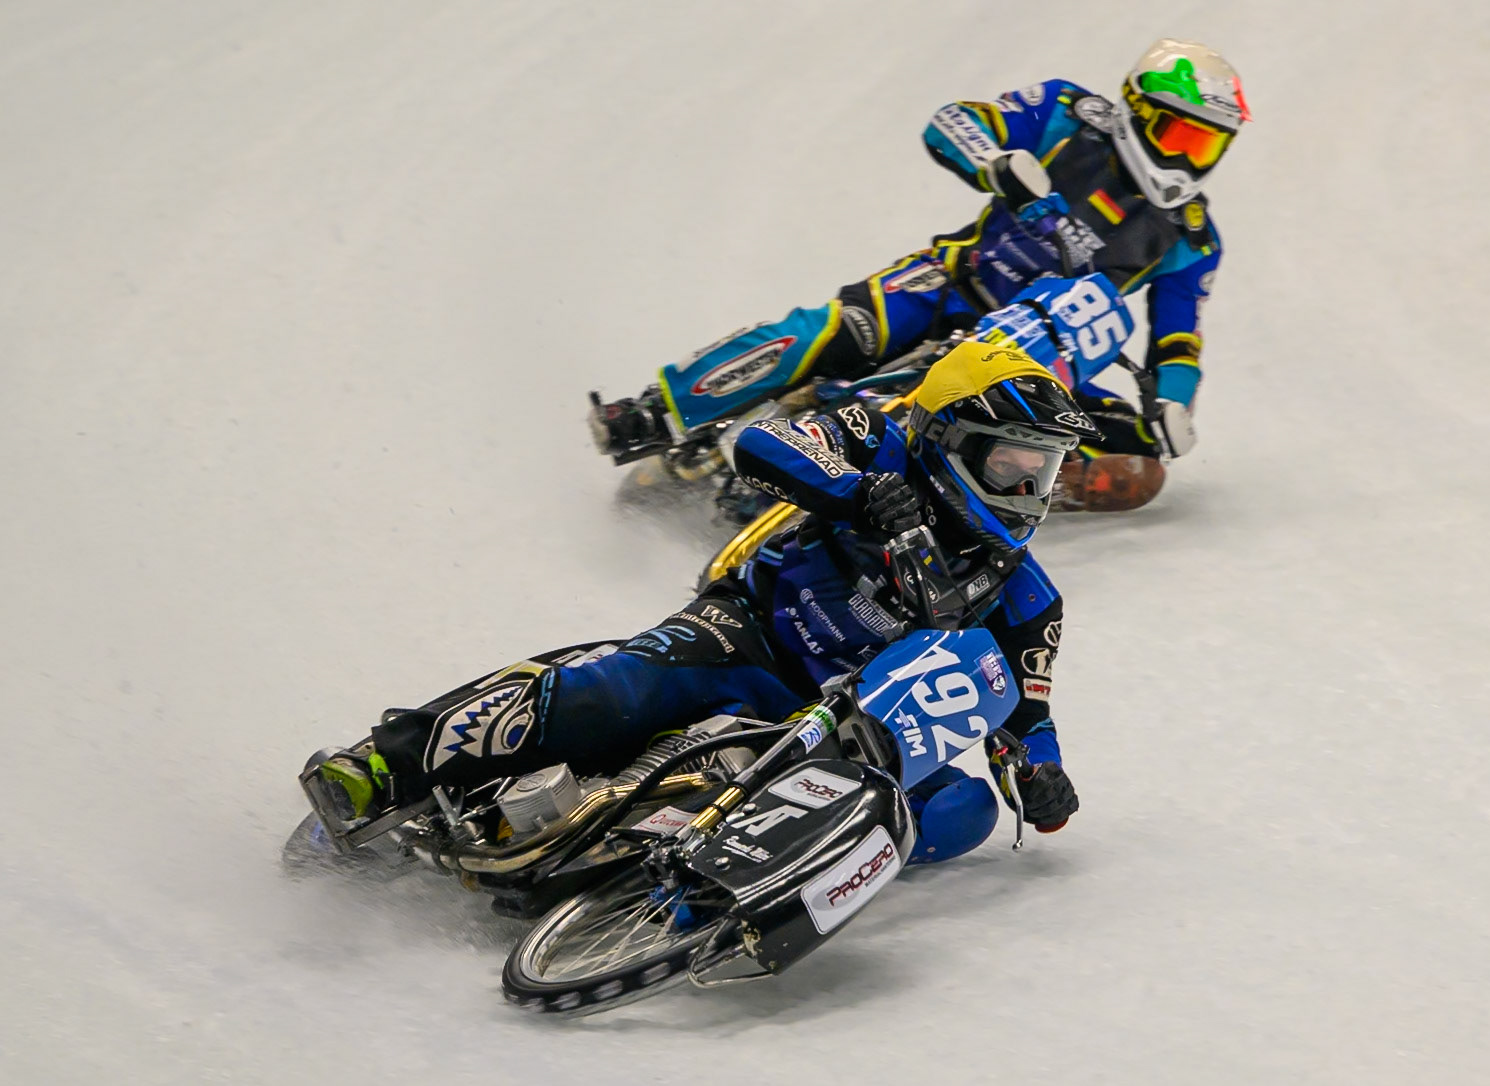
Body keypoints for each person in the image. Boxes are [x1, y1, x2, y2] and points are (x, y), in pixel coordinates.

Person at [319, 342, 1093, 864]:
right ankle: (384, 766)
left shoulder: (1028, 594)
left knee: (964, 813)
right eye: (1014, 467)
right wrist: (860, 496)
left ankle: (727, 875)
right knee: (614, 686)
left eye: (1045, 472)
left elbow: (1026, 710)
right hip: (747, 635)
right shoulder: (877, 437)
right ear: (947, 436)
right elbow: (764, 444)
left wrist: (1041, 775)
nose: (1031, 494)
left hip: (851, 724)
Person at [591, 39, 1249, 478]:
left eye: (1206, 145)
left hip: (1035, 351)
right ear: (1135, 110)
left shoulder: (1193, 237)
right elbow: (953, 120)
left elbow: (1177, 341)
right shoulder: (1064, 112)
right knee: (826, 329)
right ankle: (654, 410)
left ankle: (925, 499)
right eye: (1180, 134)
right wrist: (995, 164)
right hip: (951, 280)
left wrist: (1172, 406)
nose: (1187, 157)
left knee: (1133, 470)